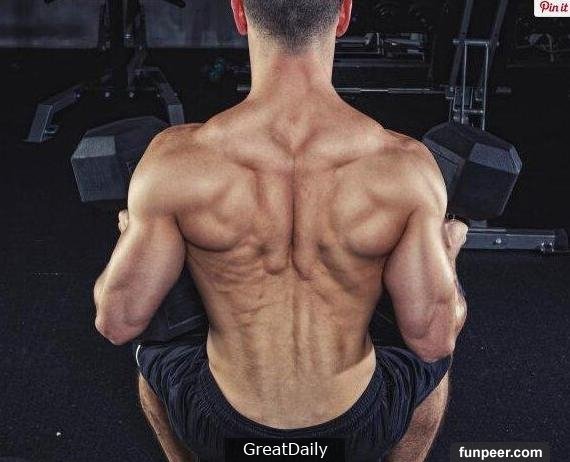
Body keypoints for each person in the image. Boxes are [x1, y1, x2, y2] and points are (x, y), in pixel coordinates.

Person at [93, 0, 468, 460]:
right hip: (358, 428)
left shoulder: (174, 160)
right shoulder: (406, 167)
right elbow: (433, 338)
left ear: (239, 14)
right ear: (344, 16)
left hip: (219, 427)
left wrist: (128, 235)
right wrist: (447, 253)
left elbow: (117, 321)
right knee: (432, 345)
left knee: (154, 341)